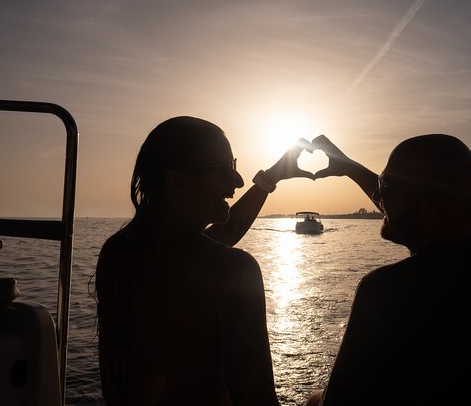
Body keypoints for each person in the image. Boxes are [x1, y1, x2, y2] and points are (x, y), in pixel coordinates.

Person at [305, 134, 471, 406]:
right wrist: (349, 167)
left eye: (386, 184)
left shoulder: (386, 289)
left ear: (432, 205)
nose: (377, 194)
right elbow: (410, 208)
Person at [94, 116, 313, 406]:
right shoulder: (235, 270)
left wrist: (270, 177)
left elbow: (224, 234)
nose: (236, 180)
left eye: (233, 166)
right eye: (222, 170)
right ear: (177, 182)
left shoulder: (119, 252)